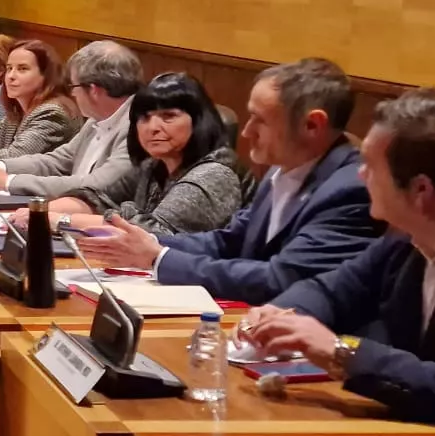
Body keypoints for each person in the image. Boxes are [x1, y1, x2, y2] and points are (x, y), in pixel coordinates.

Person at [71, 59, 381, 304]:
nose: (246, 132)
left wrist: (159, 258)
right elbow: (229, 240)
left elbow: (281, 280)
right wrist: (149, 244)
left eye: (261, 120)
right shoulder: (280, 170)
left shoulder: (349, 190)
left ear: (312, 125)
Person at [243, 89, 435, 426]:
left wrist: (341, 350)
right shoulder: (405, 241)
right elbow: (330, 290)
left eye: (371, 166)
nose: (360, 176)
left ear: (421, 191)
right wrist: (281, 315)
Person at [32, 72, 244, 236]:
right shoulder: (154, 164)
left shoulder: (213, 175)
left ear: (199, 121)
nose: (152, 127)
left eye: (168, 116)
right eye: (144, 118)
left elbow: (153, 233)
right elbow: (99, 198)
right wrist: (39, 213)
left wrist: (63, 221)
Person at [0, 40, 141, 198]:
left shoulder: (137, 128)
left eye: (74, 86)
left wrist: (7, 181)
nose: (72, 93)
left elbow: (95, 185)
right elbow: (57, 161)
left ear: (94, 90)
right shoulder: (97, 119)